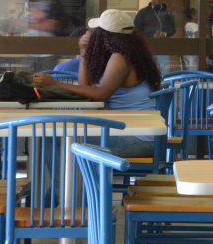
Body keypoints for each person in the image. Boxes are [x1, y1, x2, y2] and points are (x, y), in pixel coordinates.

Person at [33, 10, 161, 157]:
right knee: (62, 136)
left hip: (138, 139)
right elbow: (86, 86)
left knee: (54, 137)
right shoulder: (128, 54)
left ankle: (69, 181)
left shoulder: (120, 58)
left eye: (95, 31)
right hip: (140, 134)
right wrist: (84, 51)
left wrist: (55, 84)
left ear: (104, 35)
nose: (92, 34)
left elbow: (101, 95)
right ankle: (78, 179)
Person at [134, 0, 175, 72]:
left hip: (163, 46)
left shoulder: (168, 12)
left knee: (165, 70)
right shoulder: (143, 12)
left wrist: (165, 34)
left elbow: (173, 28)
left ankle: (164, 85)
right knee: (148, 70)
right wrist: (150, 36)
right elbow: (137, 29)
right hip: (147, 46)